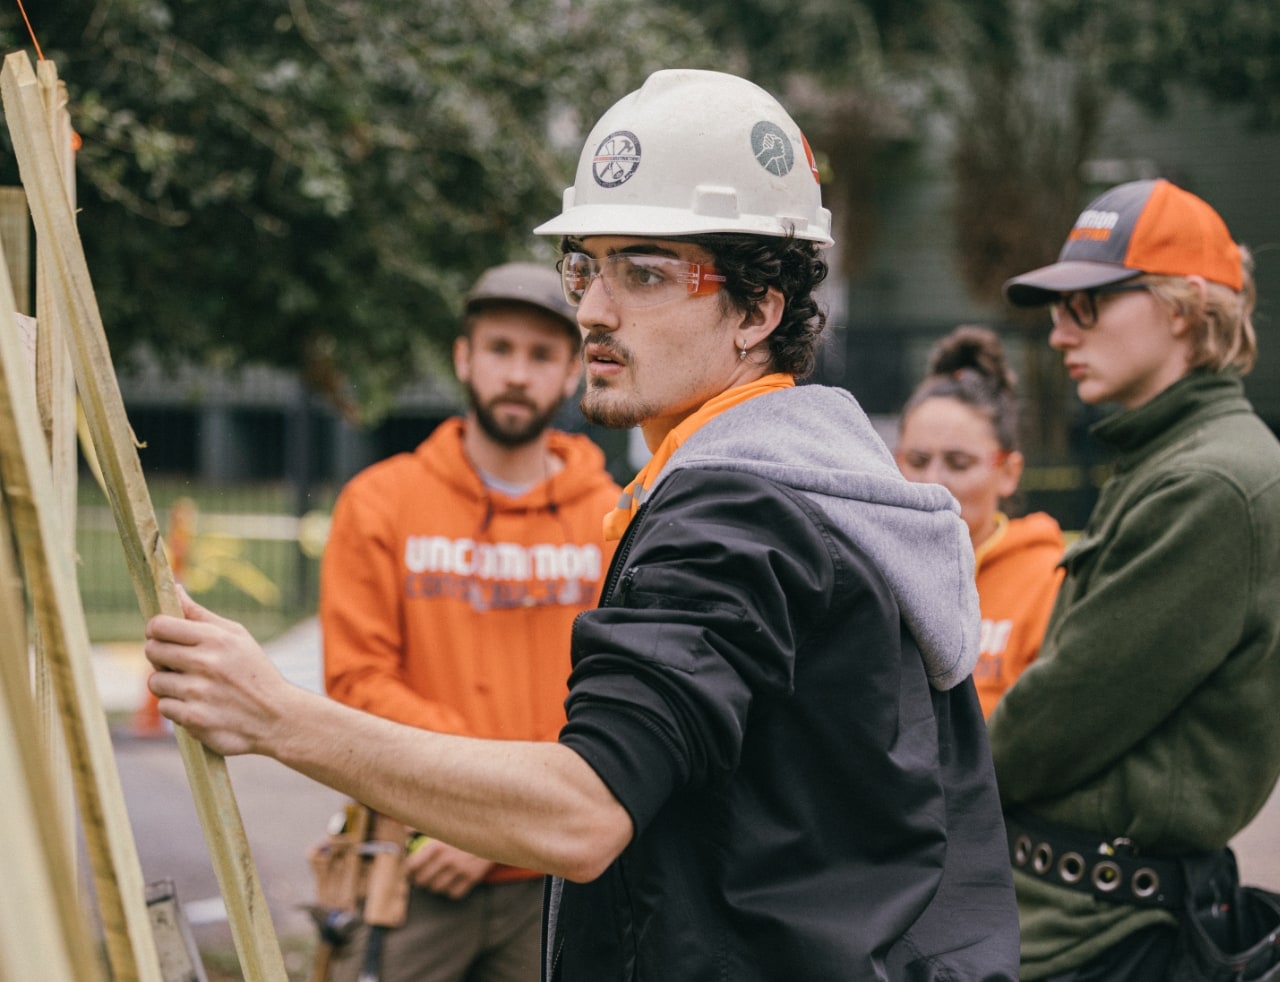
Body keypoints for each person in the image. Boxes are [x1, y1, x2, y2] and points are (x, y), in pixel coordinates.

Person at [144, 68, 1020, 980]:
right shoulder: (833, 493)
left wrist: (275, 716)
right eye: (584, 267)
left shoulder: (736, 514)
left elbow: (583, 812)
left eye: (644, 273)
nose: (593, 311)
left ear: (757, 311)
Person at [991, 177, 1280, 980]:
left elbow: (1061, 714)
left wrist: (923, 783)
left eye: (1087, 304)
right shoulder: (1168, 458)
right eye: (1057, 309)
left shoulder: (1211, 481)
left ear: (1183, 307)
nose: (1058, 333)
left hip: (1103, 938)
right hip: (1080, 917)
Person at [320, 262, 621, 982]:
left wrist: (504, 824)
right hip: (417, 863)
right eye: (499, 349)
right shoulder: (380, 503)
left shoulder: (614, 519)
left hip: (557, 879)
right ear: (463, 358)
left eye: (542, 354)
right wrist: (479, 808)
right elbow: (358, 683)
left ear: (571, 370)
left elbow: (621, 699)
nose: (518, 373)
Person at [895, 325, 1064, 717]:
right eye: (917, 461)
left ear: (1009, 471)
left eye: (959, 463)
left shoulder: (1048, 583)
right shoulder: (871, 571)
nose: (933, 481)